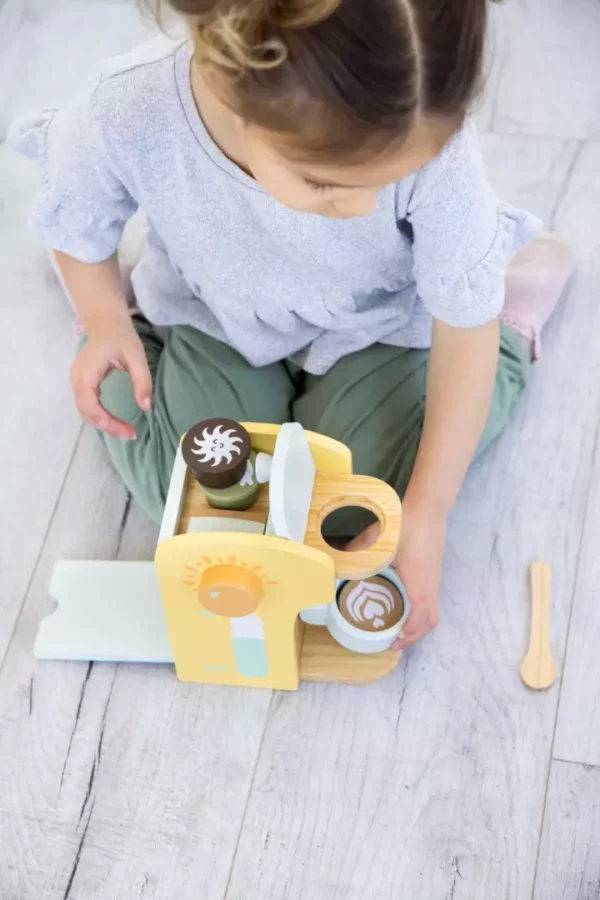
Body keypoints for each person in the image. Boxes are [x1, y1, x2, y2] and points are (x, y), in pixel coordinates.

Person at [10, 0, 573, 650]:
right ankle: (130, 308)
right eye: (325, 183)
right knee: (203, 493)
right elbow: (78, 218)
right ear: (228, 87)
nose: (363, 207)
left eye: (386, 181)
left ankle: (512, 312)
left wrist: (426, 516)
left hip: (379, 331)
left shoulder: (428, 130)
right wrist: (104, 320)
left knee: (355, 521)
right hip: (214, 315)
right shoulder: (127, 108)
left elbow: (459, 332)